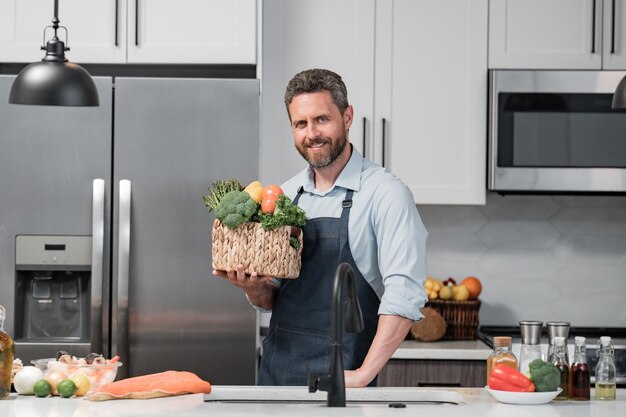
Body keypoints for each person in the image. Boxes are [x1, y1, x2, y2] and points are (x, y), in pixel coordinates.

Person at [213, 68, 428, 387]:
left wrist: (364, 375)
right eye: (301, 123)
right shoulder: (284, 196)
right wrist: (252, 286)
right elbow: (273, 297)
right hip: (276, 379)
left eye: (322, 119)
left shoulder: (384, 193)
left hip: (342, 383)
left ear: (348, 116)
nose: (311, 133)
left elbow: (404, 293)